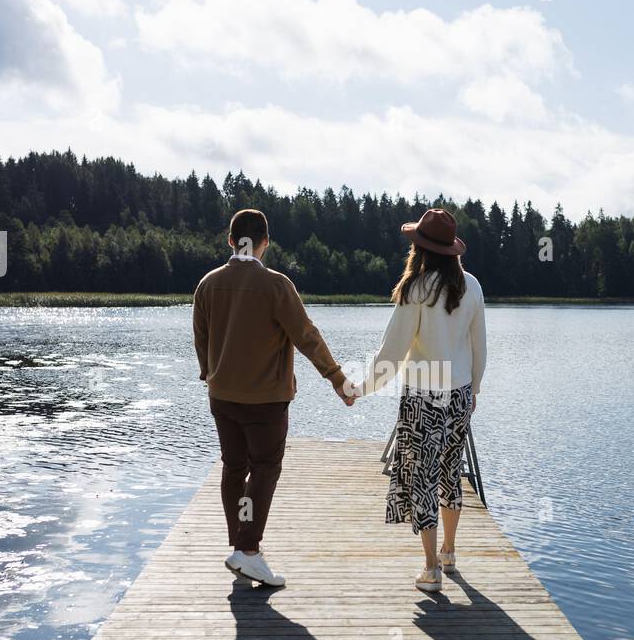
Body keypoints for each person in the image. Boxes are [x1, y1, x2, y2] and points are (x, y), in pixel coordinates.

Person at [193, 207, 354, 587]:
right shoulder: (276, 286)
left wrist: (210, 374)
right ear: (265, 243)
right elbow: (306, 336)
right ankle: (247, 551)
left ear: (231, 240)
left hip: (223, 397)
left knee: (234, 468)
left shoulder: (208, 285)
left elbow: (202, 340)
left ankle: (240, 546)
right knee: (263, 469)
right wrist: (337, 378)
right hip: (265, 402)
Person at [351, 208, 486, 592]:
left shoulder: (416, 290)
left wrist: (360, 389)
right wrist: (473, 390)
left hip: (423, 397)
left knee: (423, 478)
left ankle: (431, 570)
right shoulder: (472, 286)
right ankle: (449, 550)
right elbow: (480, 347)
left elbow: (391, 355)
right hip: (459, 394)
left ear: (420, 249)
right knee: (450, 472)